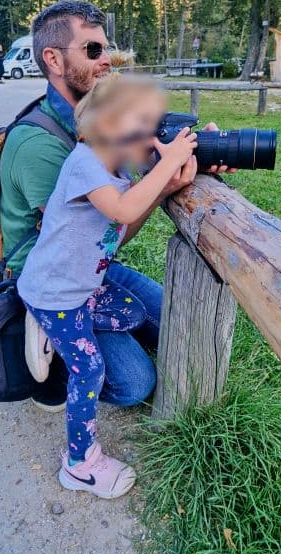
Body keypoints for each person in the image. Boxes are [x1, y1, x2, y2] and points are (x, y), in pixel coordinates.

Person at [0, 0, 234, 413]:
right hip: (54, 278)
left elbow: (136, 169)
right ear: (53, 59)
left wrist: (199, 148)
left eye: (106, 49)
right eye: (92, 50)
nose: (106, 60)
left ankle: (92, 330)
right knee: (134, 384)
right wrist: (159, 185)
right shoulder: (40, 146)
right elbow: (106, 228)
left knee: (175, 323)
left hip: (91, 265)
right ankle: (44, 334)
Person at [17, 74, 198, 497]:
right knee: (90, 369)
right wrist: (169, 163)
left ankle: (52, 331)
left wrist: (170, 178)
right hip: (56, 295)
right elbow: (123, 208)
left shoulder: (114, 167)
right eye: (145, 129)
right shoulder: (84, 163)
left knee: (134, 312)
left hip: (79, 286)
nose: (154, 140)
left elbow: (126, 218)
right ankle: (80, 463)